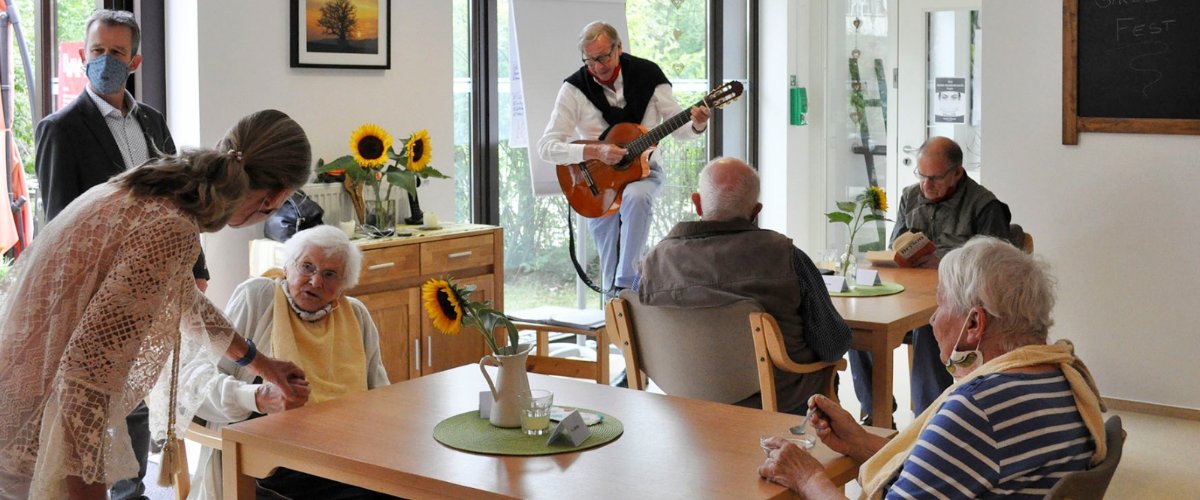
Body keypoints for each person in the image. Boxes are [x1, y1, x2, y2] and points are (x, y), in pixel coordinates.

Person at [0, 109, 314, 500]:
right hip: (38, 419)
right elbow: (88, 380)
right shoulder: (170, 227)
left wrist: (264, 365)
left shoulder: (150, 193)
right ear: (276, 197)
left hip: (21, 394)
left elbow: (188, 305)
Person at [760, 236, 1108, 498]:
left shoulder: (977, 409)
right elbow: (953, 466)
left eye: (940, 304)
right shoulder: (1061, 376)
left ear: (974, 325)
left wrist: (808, 477)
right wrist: (861, 442)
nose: (932, 318)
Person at [33, 11, 209, 497]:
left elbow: (184, 199)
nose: (105, 62)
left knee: (137, 392)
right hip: (98, 292)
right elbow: (60, 225)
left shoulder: (152, 121)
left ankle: (131, 489)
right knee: (100, 400)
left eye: (116, 53)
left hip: (155, 284)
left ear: (135, 60)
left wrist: (197, 268)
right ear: (82, 56)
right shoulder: (61, 128)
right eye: (97, 52)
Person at [182, 225, 391, 500]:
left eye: (329, 275)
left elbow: (380, 393)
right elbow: (193, 382)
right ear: (286, 266)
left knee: (410, 488)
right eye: (307, 267)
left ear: (343, 286)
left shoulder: (356, 315)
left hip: (345, 453)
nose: (315, 282)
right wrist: (255, 397)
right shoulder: (258, 297)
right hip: (269, 465)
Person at [636, 157, 852, 414]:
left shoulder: (654, 262)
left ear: (697, 203)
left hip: (686, 407)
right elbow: (831, 344)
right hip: (778, 404)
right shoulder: (786, 256)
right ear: (756, 211)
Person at [537, 20, 710, 297]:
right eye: (590, 60)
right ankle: (616, 322)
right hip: (597, 185)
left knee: (637, 197)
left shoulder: (648, 76)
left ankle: (627, 280)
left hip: (645, 172)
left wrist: (698, 125)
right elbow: (547, 147)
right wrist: (596, 151)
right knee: (608, 266)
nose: (597, 66)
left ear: (619, 48)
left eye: (603, 56)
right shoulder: (574, 89)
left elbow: (681, 131)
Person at [849, 135, 1013, 424]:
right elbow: (895, 246)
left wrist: (945, 260)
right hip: (909, 293)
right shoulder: (910, 196)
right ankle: (876, 415)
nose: (926, 185)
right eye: (922, 176)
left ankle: (929, 419)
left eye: (935, 178)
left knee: (932, 325)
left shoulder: (984, 205)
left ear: (957, 173)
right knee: (859, 324)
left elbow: (992, 267)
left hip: (961, 303)